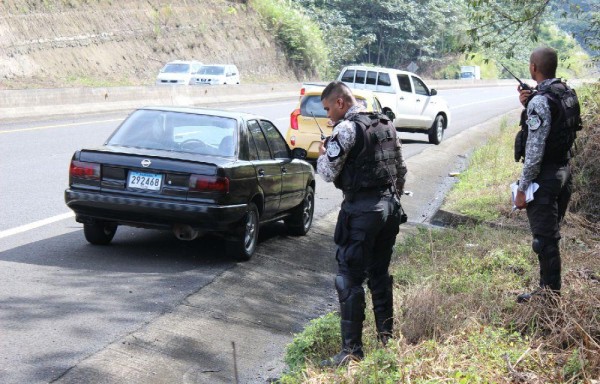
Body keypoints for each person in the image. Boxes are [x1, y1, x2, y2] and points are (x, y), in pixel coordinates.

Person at [316, 81, 407, 366]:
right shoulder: (385, 123)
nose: (328, 115)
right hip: (389, 207)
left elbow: (328, 173)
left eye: (328, 108)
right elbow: (400, 168)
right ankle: (387, 341)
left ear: (340, 103)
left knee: (349, 277)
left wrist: (322, 153)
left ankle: (351, 352)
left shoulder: (345, 128)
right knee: (378, 274)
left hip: (363, 211)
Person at [514, 47, 581, 303]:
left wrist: (522, 187)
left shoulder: (541, 101)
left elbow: (534, 149)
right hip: (564, 171)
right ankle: (548, 291)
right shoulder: (565, 93)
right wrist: (529, 102)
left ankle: (549, 297)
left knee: (544, 241)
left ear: (533, 68)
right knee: (550, 237)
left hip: (546, 177)